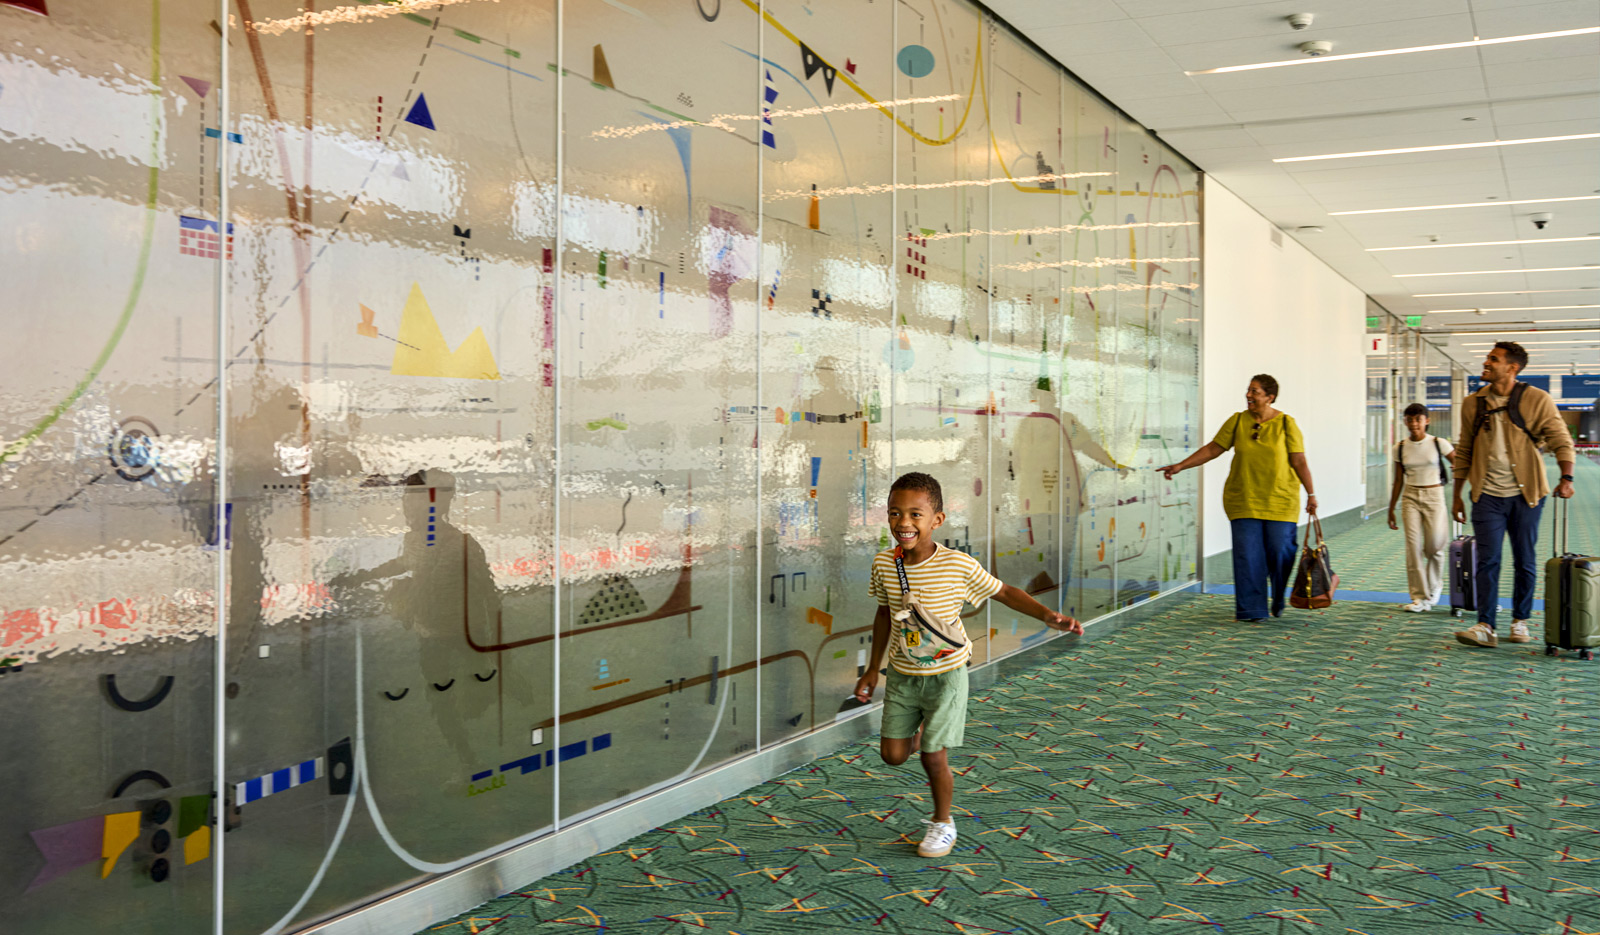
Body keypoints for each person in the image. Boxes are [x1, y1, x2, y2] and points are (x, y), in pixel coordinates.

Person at [851, 471, 1081, 858]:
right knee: (892, 755)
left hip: (947, 674)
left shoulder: (957, 565)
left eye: (915, 514)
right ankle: (928, 731)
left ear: (937, 520)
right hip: (904, 674)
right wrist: (872, 670)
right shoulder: (884, 564)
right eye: (894, 513)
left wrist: (1046, 615)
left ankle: (943, 822)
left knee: (932, 756)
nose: (903, 523)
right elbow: (884, 614)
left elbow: (1004, 591)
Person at [1158, 374, 1317, 621]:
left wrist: (1311, 494)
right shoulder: (1237, 421)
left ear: (1270, 397)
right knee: (1248, 556)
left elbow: (1299, 461)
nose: (1248, 395)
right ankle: (1252, 609)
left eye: (1255, 391)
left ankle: (1277, 594)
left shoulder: (1287, 424)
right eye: (1248, 390)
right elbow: (1213, 448)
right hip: (1243, 498)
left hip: (1280, 500)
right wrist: (1181, 466)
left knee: (1281, 551)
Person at [1450, 341, 1577, 647]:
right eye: (1487, 358)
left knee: (1525, 560)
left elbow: (1561, 438)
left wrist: (1567, 477)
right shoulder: (1473, 403)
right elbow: (1464, 450)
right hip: (1486, 494)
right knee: (1487, 560)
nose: (1486, 363)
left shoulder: (1537, 399)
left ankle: (1520, 621)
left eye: (1493, 359)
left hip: (1527, 494)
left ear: (1512, 368)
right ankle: (1485, 625)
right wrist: (1457, 494)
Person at [1387, 403, 1455, 612]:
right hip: (1411, 497)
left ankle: (1434, 587)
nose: (1414, 424)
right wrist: (1391, 508)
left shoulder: (1438, 443)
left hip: (1434, 495)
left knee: (1435, 544)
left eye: (1418, 419)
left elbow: (1458, 462)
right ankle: (1419, 597)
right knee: (1413, 547)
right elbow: (1398, 479)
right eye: (1409, 419)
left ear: (1427, 420)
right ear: (1405, 421)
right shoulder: (1399, 447)